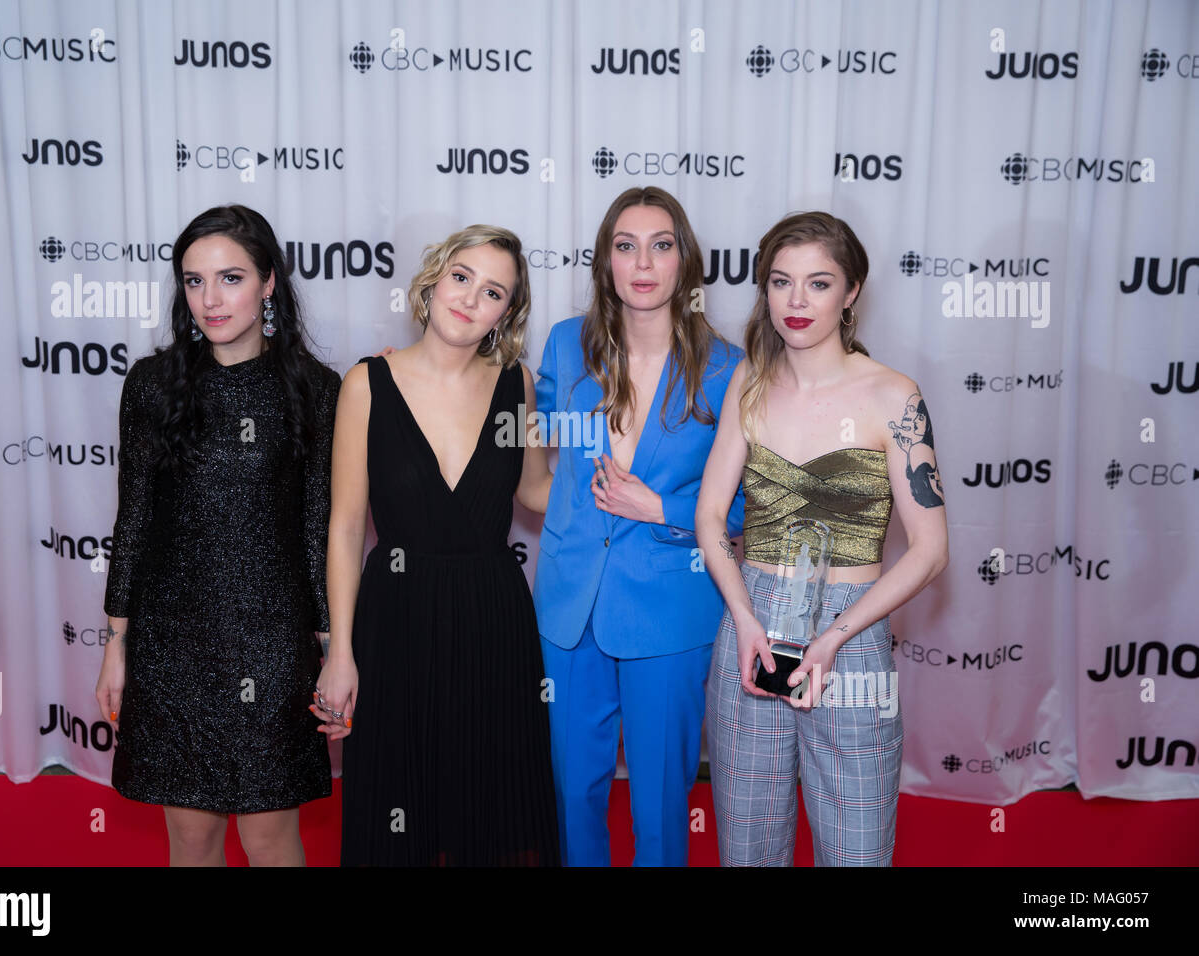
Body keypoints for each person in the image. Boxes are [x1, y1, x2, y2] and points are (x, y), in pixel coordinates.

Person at [695, 211, 949, 866]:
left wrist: (836, 635)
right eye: (781, 282)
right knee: (748, 848)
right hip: (750, 627)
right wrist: (746, 620)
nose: (797, 302)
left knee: (857, 850)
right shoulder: (748, 382)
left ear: (852, 291)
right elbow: (710, 516)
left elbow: (930, 548)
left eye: (818, 283)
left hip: (853, 635)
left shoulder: (894, 396)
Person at [95, 204, 339, 866]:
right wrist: (116, 646)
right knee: (193, 835)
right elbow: (135, 517)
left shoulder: (315, 390)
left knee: (269, 835)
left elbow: (319, 531)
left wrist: (332, 648)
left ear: (267, 283)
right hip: (174, 640)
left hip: (272, 641)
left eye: (230, 278)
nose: (210, 298)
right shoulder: (153, 384)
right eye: (195, 281)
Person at [314, 224, 560, 866]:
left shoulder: (517, 385)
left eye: (493, 291)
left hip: (492, 618)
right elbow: (344, 526)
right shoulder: (366, 385)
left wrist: (622, 471)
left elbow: (536, 490)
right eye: (462, 277)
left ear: (508, 312)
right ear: (433, 279)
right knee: (398, 811)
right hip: (395, 618)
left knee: (491, 809)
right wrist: (340, 652)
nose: (470, 298)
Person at [532, 186, 744, 866]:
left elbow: (753, 506)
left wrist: (663, 509)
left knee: (659, 802)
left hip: (669, 609)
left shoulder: (729, 369)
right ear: (606, 262)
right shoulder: (566, 345)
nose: (643, 262)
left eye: (661, 244)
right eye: (626, 246)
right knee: (570, 795)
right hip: (569, 608)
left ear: (686, 261)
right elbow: (533, 461)